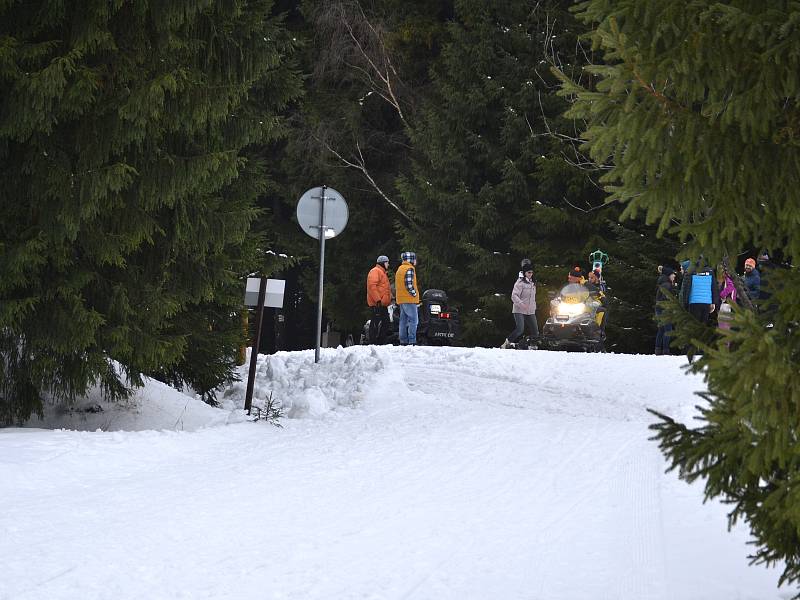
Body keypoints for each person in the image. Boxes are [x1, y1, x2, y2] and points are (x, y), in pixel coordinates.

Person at [500, 262, 538, 349]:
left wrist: (534, 306)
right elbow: (514, 296)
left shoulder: (533, 283)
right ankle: (507, 342)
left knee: (535, 330)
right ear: (524, 273)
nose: (530, 274)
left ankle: (533, 345)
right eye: (529, 272)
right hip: (519, 309)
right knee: (520, 329)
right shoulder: (520, 282)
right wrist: (521, 304)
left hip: (530, 310)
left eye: (532, 272)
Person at [681, 260, 720, 324]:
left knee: (694, 324)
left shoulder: (690, 270)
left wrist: (685, 303)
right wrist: (713, 302)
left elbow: (686, 288)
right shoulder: (710, 271)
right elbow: (714, 287)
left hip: (694, 302)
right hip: (706, 302)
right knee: (703, 324)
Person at [395, 251, 420, 345]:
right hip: (409, 299)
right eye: (415, 259)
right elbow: (409, 285)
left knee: (403, 320)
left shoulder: (400, 268)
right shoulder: (409, 269)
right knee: (414, 320)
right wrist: (414, 294)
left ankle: (403, 341)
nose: (416, 261)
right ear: (411, 259)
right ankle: (412, 341)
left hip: (401, 299)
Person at [366, 255, 392, 344]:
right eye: (387, 262)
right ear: (383, 263)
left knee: (385, 322)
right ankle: (373, 342)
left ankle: (380, 341)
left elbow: (385, 289)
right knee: (376, 322)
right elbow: (372, 286)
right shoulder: (375, 271)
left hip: (382, 303)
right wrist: (377, 300)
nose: (388, 264)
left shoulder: (383, 273)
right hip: (377, 303)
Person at [654, 266, 677, 355]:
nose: (674, 276)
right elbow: (666, 298)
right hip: (665, 309)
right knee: (668, 330)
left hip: (659, 308)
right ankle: (666, 351)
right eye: (672, 275)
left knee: (661, 330)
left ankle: (658, 350)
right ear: (668, 275)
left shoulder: (663, 283)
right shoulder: (667, 285)